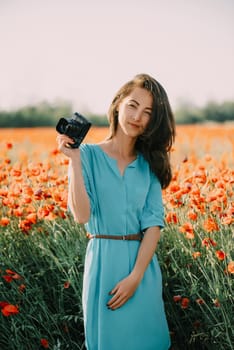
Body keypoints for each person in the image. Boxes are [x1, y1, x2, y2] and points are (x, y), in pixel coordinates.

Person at [56, 73, 175, 350]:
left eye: (147, 112)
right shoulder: (87, 156)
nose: (137, 117)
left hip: (142, 270)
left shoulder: (150, 163)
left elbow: (154, 225)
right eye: (133, 105)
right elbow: (82, 216)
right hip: (103, 265)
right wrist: (74, 161)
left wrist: (136, 278)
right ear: (118, 103)